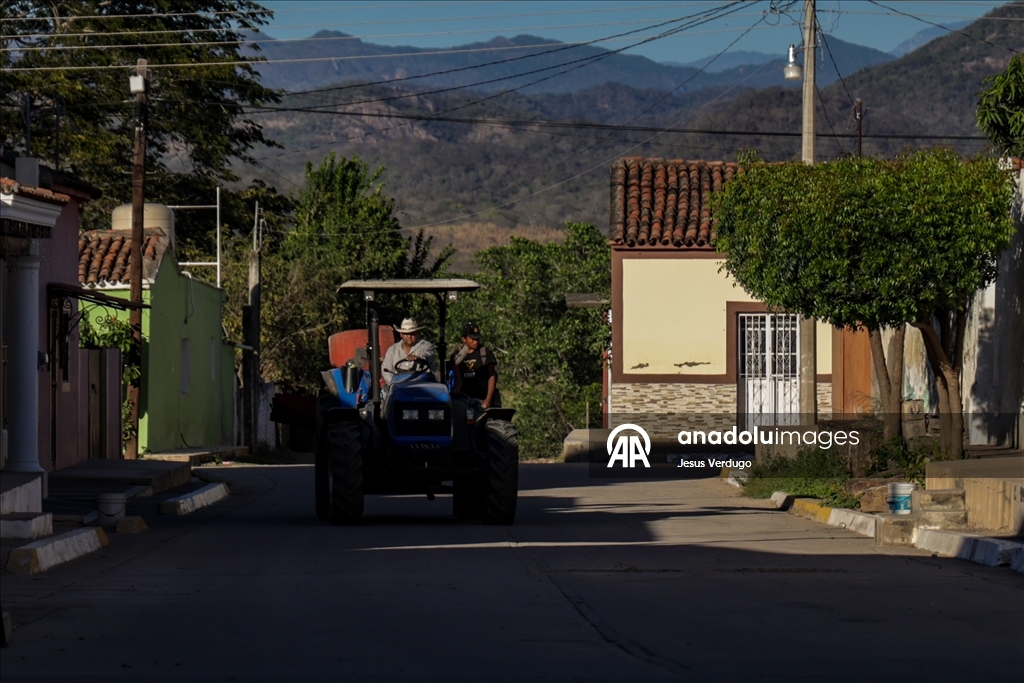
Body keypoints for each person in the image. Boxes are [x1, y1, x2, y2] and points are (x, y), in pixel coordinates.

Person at [451, 322, 499, 409]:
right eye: (472, 339)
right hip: (464, 401)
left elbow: (492, 376)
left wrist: (488, 399)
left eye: (477, 339)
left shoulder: (485, 353)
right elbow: (457, 378)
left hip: (483, 400)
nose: (475, 341)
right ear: (464, 339)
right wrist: (457, 390)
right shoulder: (457, 357)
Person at [382, 317, 437, 384]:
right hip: (398, 387)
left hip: (422, 385)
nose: (409, 336)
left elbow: (426, 355)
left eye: (412, 333)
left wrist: (418, 358)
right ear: (401, 334)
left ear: (417, 333)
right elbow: (385, 371)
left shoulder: (426, 346)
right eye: (406, 334)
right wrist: (395, 383)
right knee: (383, 393)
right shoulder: (392, 350)